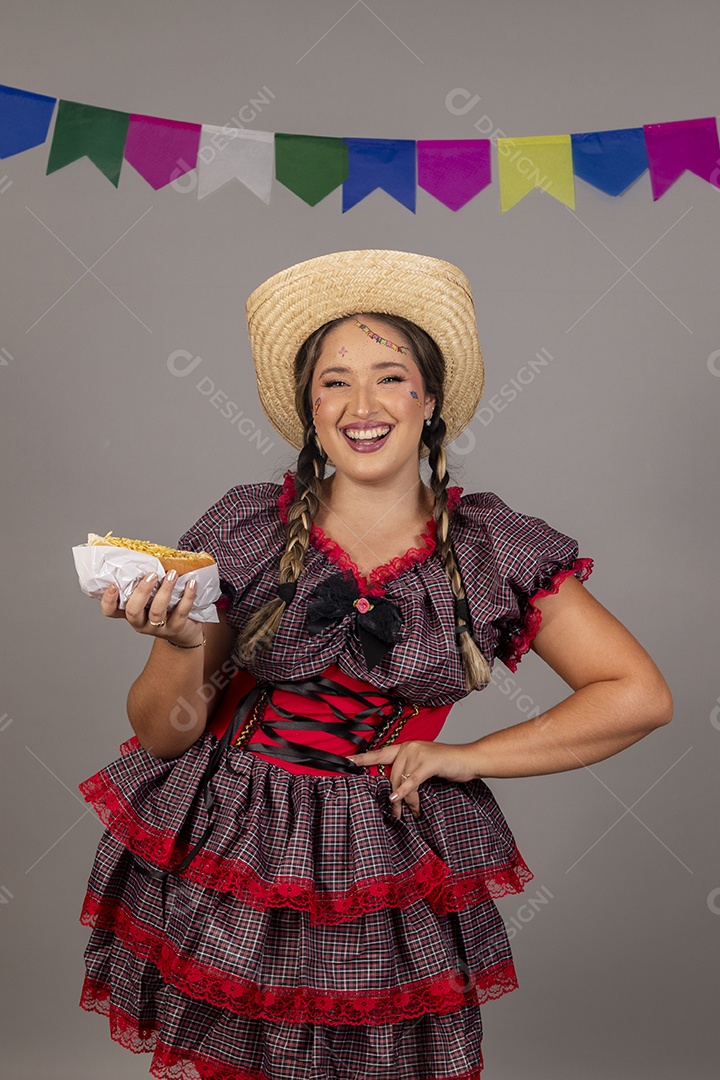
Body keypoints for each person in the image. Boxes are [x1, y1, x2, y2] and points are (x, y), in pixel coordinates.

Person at [78, 249, 673, 1080]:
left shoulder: (490, 547)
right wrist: (183, 648)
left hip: (384, 857)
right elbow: (162, 735)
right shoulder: (247, 527)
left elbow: (637, 695)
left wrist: (465, 758)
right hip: (236, 845)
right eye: (334, 381)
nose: (362, 404)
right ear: (308, 407)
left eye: (390, 376)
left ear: (429, 400)